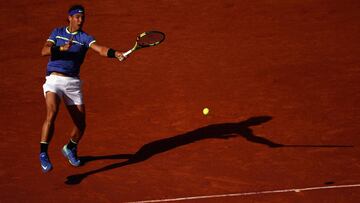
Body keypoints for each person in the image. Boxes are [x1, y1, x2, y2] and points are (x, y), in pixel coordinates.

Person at [39, 4, 126, 173]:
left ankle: (70, 147)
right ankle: (43, 153)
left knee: (81, 124)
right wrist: (60, 48)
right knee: (52, 112)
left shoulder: (85, 38)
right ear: (70, 18)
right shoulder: (57, 32)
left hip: (73, 82)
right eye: (77, 17)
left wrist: (115, 53)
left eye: (82, 17)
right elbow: (44, 51)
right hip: (54, 79)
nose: (80, 20)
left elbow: (99, 49)